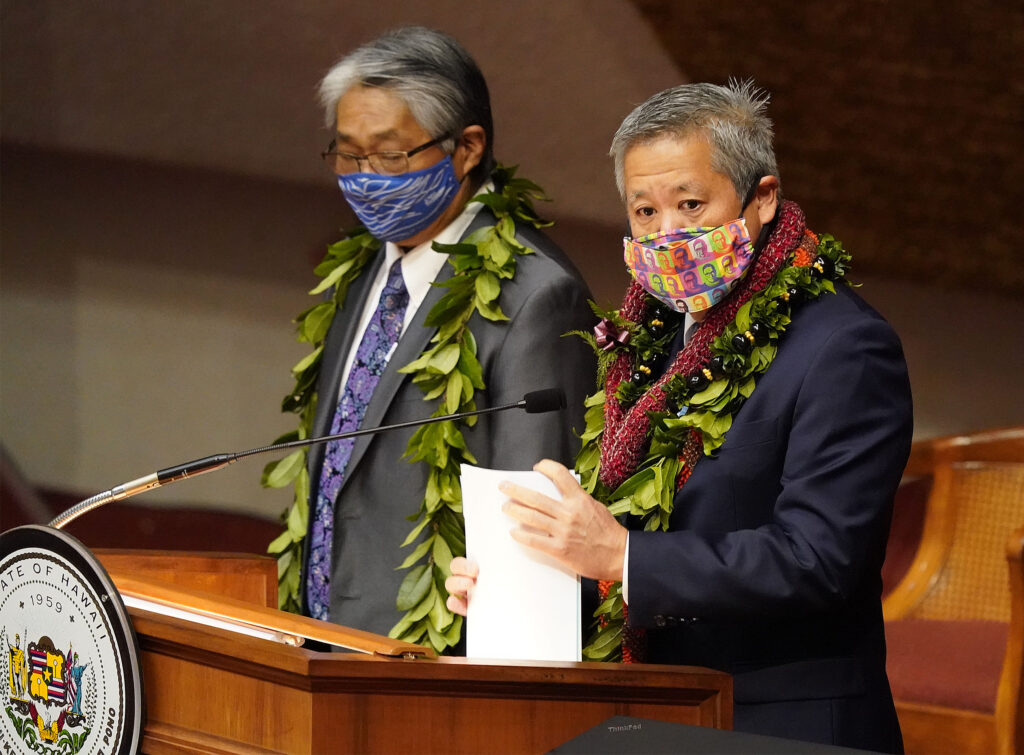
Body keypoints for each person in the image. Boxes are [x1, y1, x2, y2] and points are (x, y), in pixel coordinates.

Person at [448, 81, 912, 751]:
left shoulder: (844, 347)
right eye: (644, 211)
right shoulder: (651, 340)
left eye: (690, 204)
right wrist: (520, 586)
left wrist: (623, 554)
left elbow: (820, 558)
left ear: (762, 198)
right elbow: (622, 538)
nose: (667, 233)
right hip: (655, 715)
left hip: (782, 721)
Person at [299, 27, 595, 650]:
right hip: (324, 646)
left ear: (466, 148)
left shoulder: (535, 295)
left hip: (434, 666)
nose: (365, 178)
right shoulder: (365, 269)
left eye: (390, 155)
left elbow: (532, 526)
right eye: (349, 155)